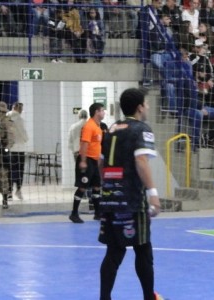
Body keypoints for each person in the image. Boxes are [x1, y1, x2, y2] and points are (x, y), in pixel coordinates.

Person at [98, 88, 162, 300]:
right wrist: (152, 193)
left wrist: (107, 185)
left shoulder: (111, 129)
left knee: (114, 252)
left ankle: (104, 298)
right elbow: (141, 161)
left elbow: (100, 162)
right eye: (146, 103)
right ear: (139, 107)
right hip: (132, 200)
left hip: (110, 197)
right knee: (143, 249)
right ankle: (148, 297)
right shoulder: (141, 129)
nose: (149, 107)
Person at [70, 103, 105, 223]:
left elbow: (96, 146)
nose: (104, 112)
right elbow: (84, 144)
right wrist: (83, 161)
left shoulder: (97, 126)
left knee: (96, 186)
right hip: (87, 160)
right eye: (102, 110)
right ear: (97, 112)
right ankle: (74, 213)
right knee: (82, 187)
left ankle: (97, 213)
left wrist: (98, 161)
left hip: (94, 161)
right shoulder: (89, 126)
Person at [6, 102, 28, 201]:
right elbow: (24, 135)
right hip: (19, 148)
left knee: (9, 171)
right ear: (18, 109)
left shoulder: (6, 117)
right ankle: (18, 190)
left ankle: (9, 192)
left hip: (9, 148)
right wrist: (26, 139)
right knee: (19, 171)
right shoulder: (20, 119)